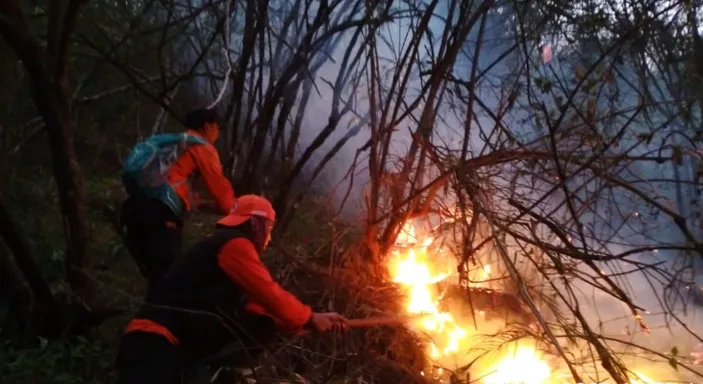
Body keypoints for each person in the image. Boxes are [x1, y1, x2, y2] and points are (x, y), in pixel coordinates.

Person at [115, 194, 348, 384]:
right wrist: (308, 316)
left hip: (170, 348)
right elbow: (269, 293)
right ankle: (216, 369)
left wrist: (308, 322)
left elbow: (261, 311)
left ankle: (215, 370)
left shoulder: (225, 255)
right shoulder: (234, 245)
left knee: (262, 326)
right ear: (255, 223)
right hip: (152, 342)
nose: (268, 238)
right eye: (268, 228)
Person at [120, 108, 237, 285]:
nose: (218, 133)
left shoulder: (174, 145)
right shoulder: (201, 147)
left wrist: (197, 203)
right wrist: (237, 212)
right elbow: (220, 190)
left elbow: (173, 182)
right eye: (217, 128)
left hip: (133, 210)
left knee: (156, 278)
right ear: (206, 126)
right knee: (168, 280)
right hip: (160, 215)